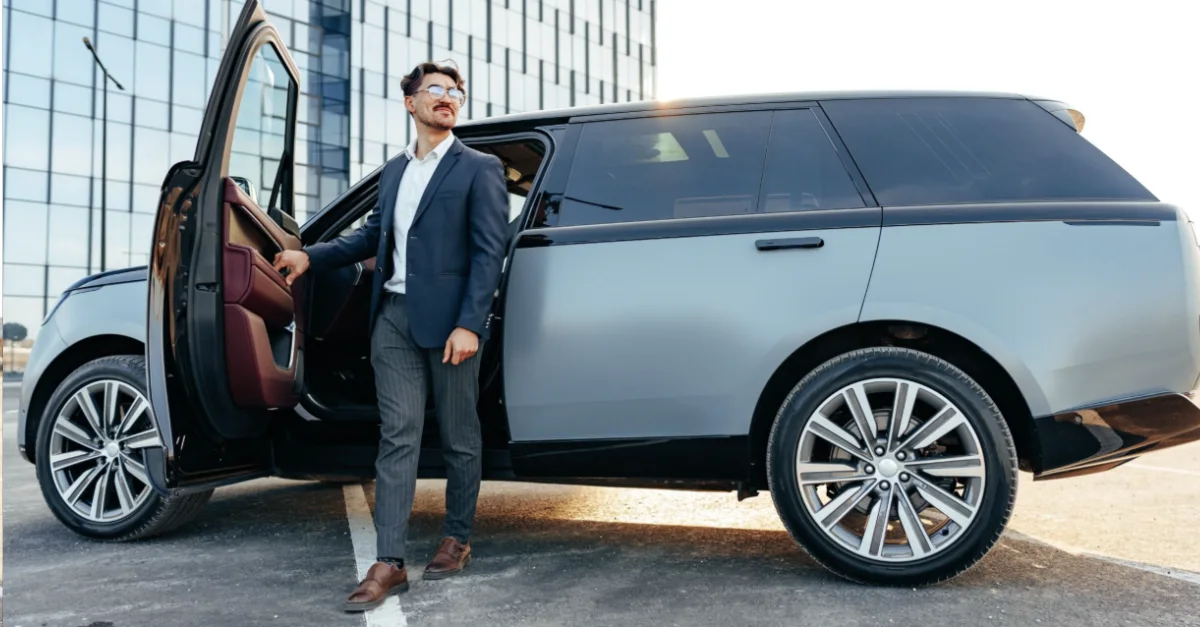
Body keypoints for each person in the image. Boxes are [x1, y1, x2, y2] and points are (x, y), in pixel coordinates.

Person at [273, 59, 509, 612]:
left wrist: (469, 324)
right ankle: (389, 562)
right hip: (394, 321)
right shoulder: (395, 171)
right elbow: (371, 236)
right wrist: (309, 256)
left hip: (452, 325)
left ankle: (457, 536)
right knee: (399, 436)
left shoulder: (480, 168)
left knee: (459, 434)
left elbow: (488, 251)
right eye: (436, 89)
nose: (448, 97)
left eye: (455, 92)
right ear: (411, 103)